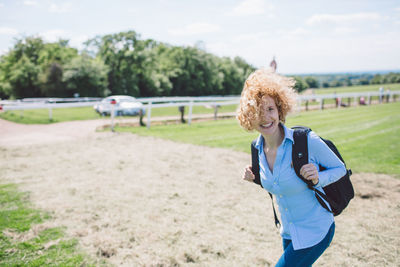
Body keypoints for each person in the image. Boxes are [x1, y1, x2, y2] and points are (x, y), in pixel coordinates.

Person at [237, 68, 347, 266]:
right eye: (258, 111)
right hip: (288, 232)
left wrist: (318, 177)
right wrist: (256, 179)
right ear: (250, 117)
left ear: (280, 109)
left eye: (270, 109)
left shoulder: (305, 141)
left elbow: (339, 169)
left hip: (316, 230)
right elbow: (279, 183)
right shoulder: (257, 149)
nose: (265, 117)